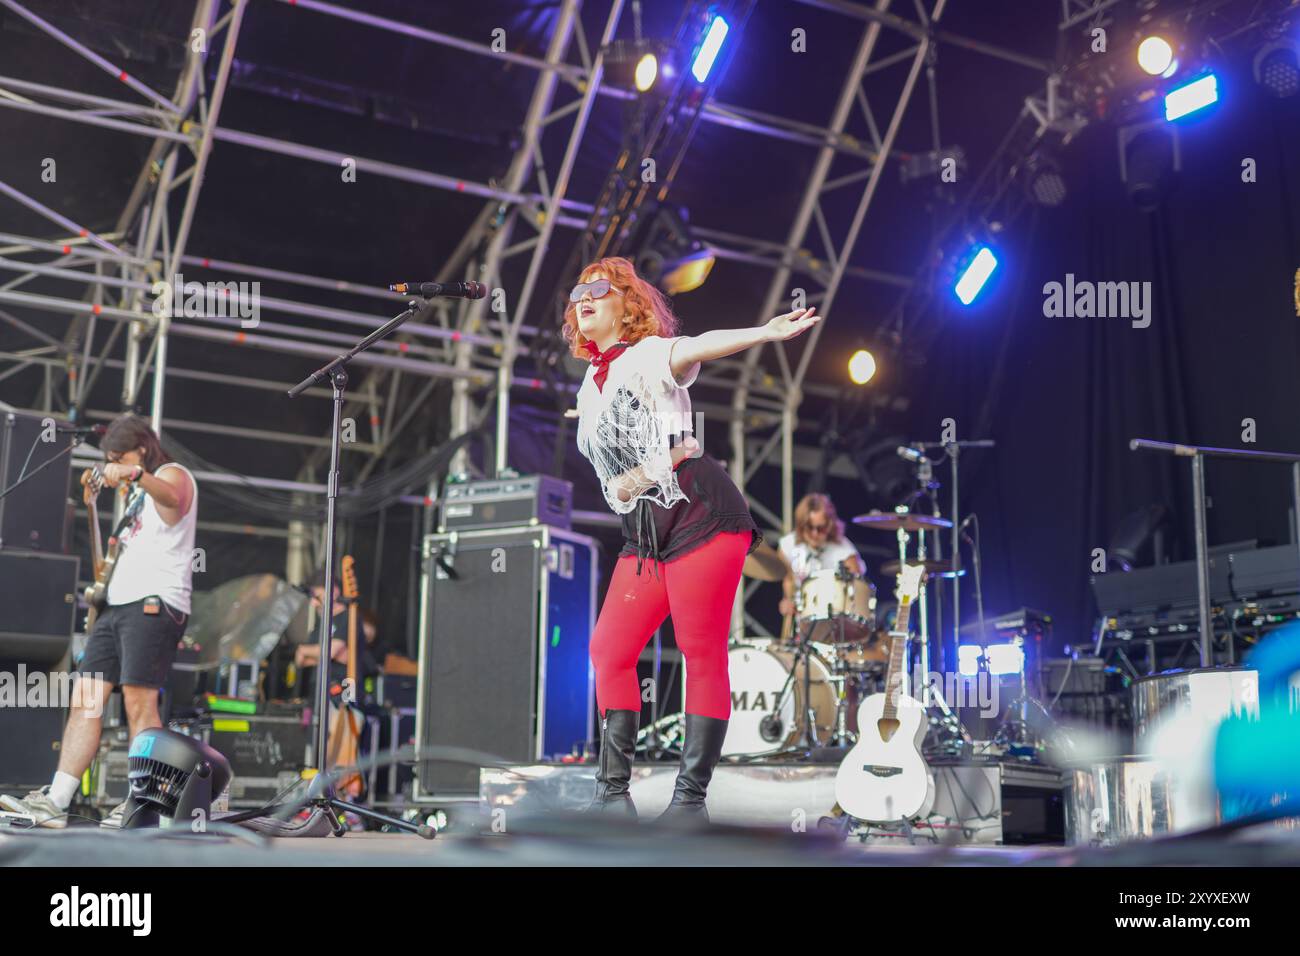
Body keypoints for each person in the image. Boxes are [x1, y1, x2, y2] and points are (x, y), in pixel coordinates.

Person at [568, 256, 818, 821]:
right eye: (578, 292)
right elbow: (621, 479)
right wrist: (641, 467)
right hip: (645, 532)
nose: (584, 298)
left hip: (702, 512)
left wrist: (767, 331)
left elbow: (700, 344)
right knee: (609, 651)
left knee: (699, 650)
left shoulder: (652, 354)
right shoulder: (590, 384)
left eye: (600, 290)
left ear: (627, 306)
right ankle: (612, 798)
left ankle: (689, 804)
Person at [0, 414, 197, 829]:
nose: (112, 465)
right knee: (85, 700)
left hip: (154, 602)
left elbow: (175, 501)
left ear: (140, 450)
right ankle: (56, 799)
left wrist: (133, 473)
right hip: (117, 606)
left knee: (139, 702)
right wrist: (92, 507)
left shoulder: (171, 474)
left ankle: (145, 803)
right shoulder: (134, 501)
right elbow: (103, 560)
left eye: (117, 457)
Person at [777, 493, 866, 625]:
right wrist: (786, 601)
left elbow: (857, 593)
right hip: (800, 624)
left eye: (820, 528)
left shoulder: (844, 551)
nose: (814, 533)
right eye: (809, 527)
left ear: (830, 524)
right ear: (801, 525)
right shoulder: (788, 545)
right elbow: (788, 580)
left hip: (835, 625)